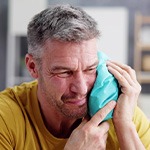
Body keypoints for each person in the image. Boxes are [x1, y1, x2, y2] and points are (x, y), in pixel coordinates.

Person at [0, 4, 149, 150]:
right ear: (33, 67)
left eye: (90, 69)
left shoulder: (123, 113)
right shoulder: (5, 117)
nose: (82, 89)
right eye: (64, 72)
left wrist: (125, 126)